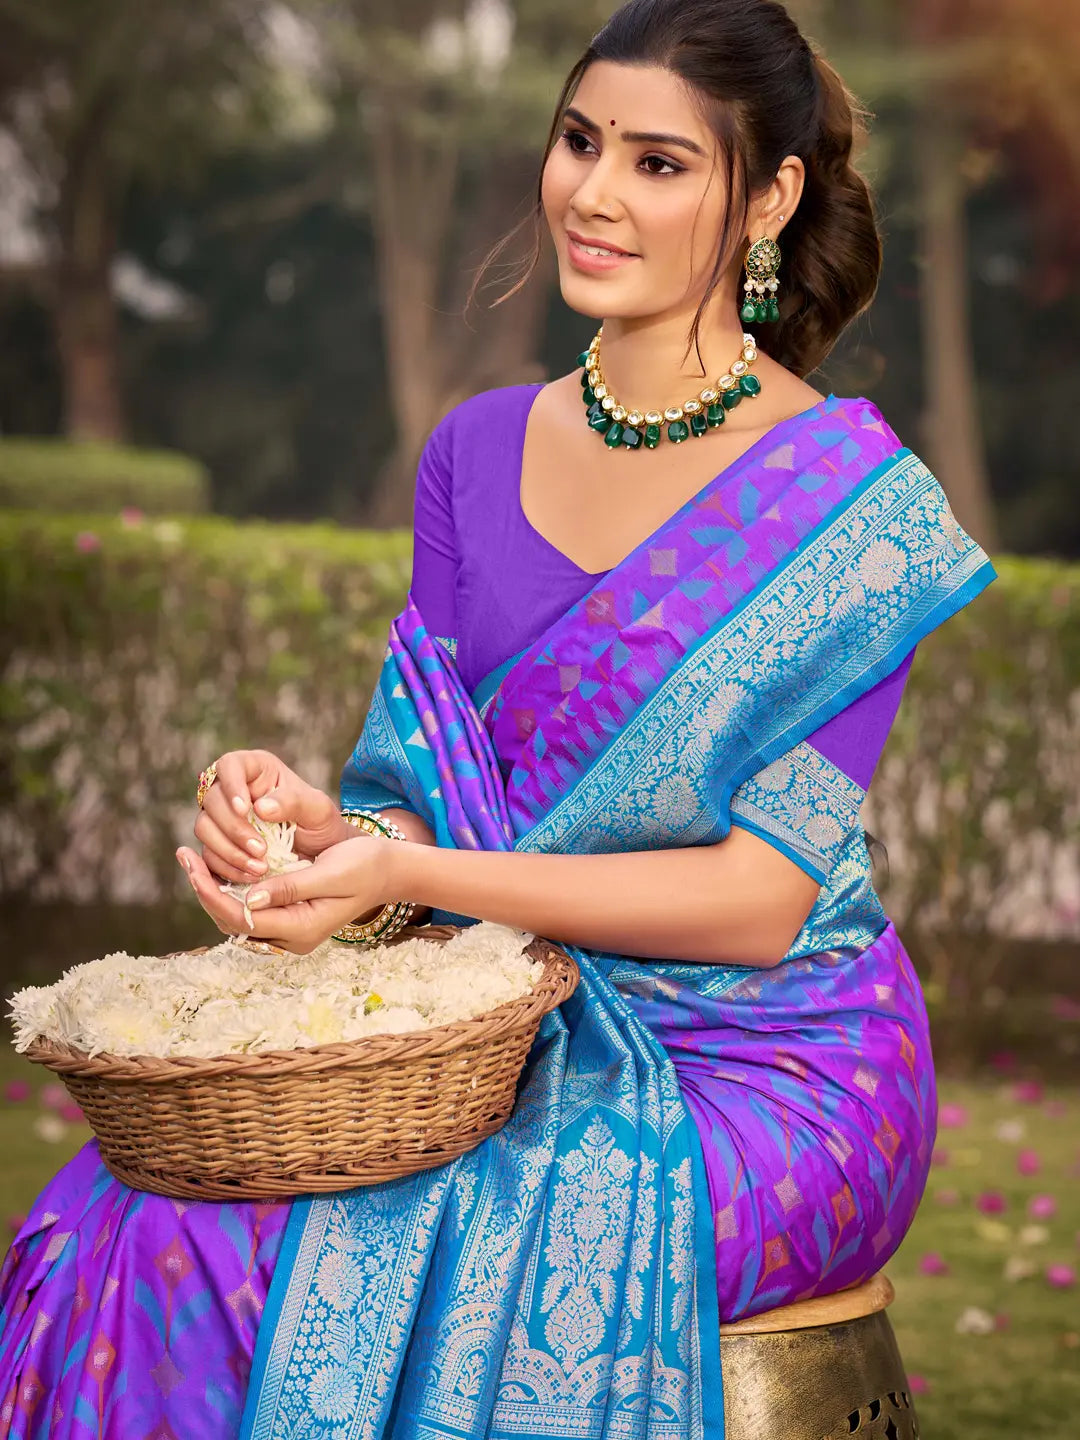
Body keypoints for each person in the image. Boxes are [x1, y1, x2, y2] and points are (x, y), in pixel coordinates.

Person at [0, 1, 996, 1436]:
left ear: (768, 196)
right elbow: (431, 808)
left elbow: (760, 903)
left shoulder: (846, 509)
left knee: (356, 1236)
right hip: (485, 1019)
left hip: (772, 1062)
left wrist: (414, 876)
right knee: (132, 1211)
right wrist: (322, 837)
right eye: (580, 140)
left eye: (660, 163)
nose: (593, 193)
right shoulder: (474, 452)